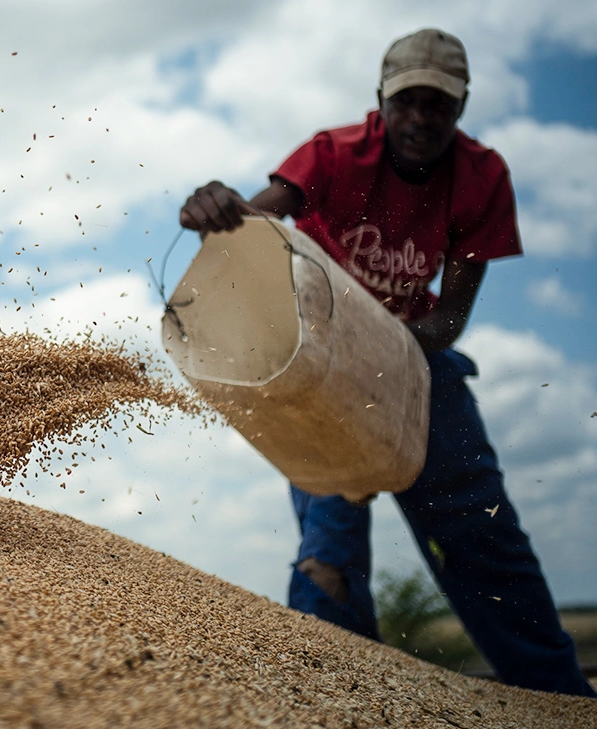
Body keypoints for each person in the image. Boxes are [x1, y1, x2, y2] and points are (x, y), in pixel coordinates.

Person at [178, 28, 595, 697]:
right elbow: (252, 232)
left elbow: (450, 318)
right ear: (381, 101)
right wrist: (215, 211)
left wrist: (385, 359)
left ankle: (558, 698)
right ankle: (337, 696)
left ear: (459, 110)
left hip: (414, 361)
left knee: (484, 536)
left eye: (439, 104)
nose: (421, 118)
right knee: (331, 542)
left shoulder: (483, 178)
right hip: (321, 366)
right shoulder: (335, 154)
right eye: (407, 102)